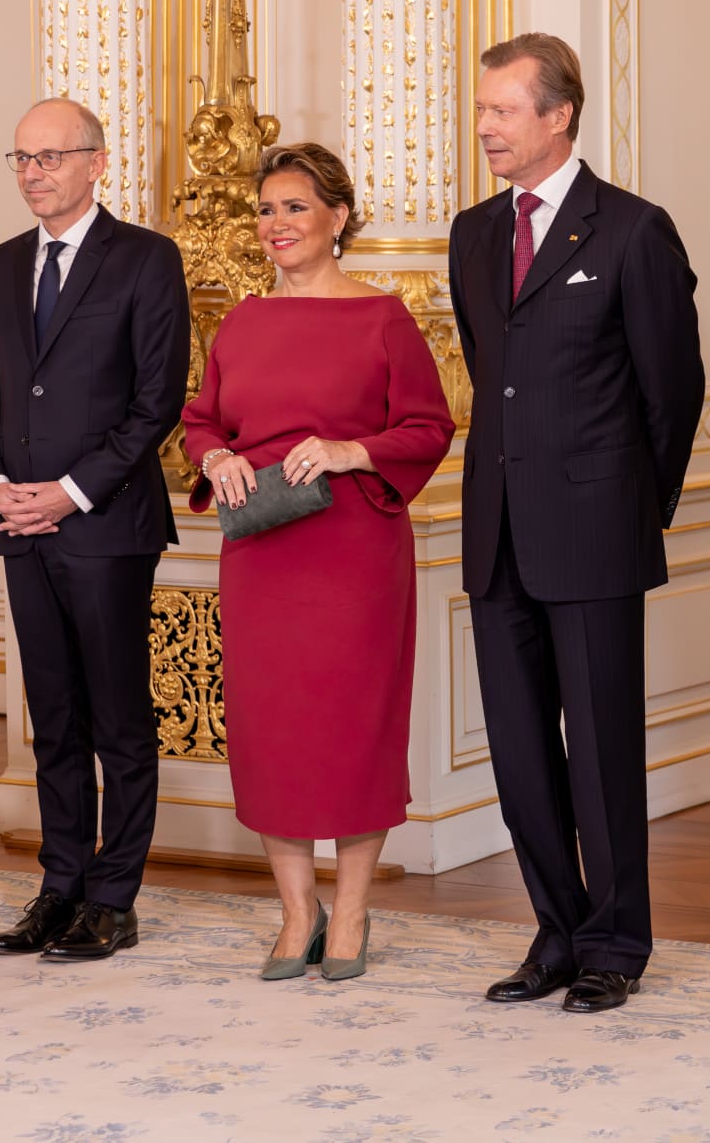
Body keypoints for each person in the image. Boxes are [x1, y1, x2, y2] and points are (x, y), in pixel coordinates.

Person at [448, 32, 705, 1013]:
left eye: (501, 110)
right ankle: (555, 932)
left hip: (594, 530)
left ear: (558, 115)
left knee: (599, 750)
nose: (484, 126)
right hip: (497, 532)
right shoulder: (473, 232)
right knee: (518, 752)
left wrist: (633, 509)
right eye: (480, 110)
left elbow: (669, 395)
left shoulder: (632, 231)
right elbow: (491, 371)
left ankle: (614, 940)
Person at [180, 143, 454, 981]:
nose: (276, 225)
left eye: (295, 207)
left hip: (353, 559)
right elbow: (200, 420)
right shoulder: (243, 321)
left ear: (338, 217)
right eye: (266, 209)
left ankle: (356, 912)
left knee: (352, 730)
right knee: (274, 732)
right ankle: (298, 911)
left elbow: (427, 428)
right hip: (263, 557)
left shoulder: (384, 319)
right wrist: (215, 457)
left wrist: (348, 451)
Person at [0, 97, 190, 961]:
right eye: (20, 158)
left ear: (97, 162)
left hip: (106, 526)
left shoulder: (145, 260)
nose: (33, 173)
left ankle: (113, 897)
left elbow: (153, 402)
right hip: (20, 524)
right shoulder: (0, 263)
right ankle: (59, 888)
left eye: (51, 157)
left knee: (119, 718)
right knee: (52, 716)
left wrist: (69, 492)